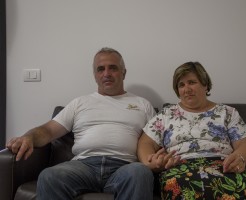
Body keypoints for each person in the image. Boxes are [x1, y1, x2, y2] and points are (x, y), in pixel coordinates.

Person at [6, 47, 157, 200]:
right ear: (95, 75)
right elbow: (48, 130)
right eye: (100, 69)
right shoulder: (79, 103)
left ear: (124, 72)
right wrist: (28, 137)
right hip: (83, 166)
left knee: (140, 172)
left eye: (113, 68)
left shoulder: (143, 105)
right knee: (49, 176)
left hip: (125, 167)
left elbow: (154, 140)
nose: (106, 74)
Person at [137, 61, 246, 200]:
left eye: (192, 82)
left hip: (224, 166)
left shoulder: (227, 113)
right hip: (181, 168)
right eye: (181, 85)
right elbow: (145, 142)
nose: (187, 89)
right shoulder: (166, 115)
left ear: (205, 85)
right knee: (182, 189)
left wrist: (240, 157)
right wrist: (152, 161)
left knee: (244, 185)